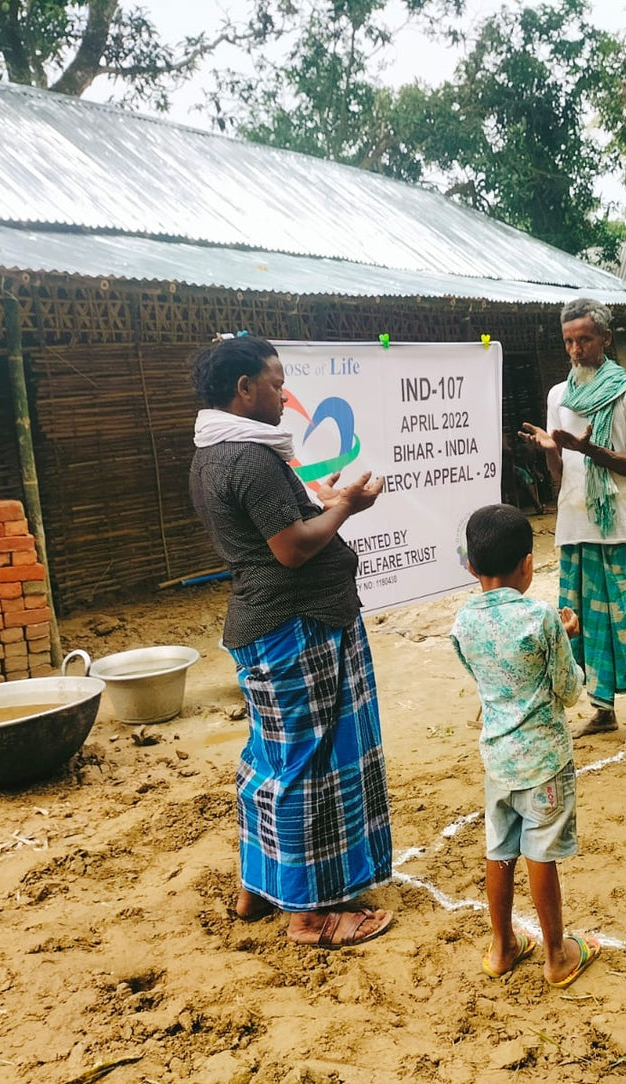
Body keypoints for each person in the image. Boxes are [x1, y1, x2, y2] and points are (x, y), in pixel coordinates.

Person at [188, 334, 395, 948]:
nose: (285, 394)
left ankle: (259, 885)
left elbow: (276, 529)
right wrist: (347, 507)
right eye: (276, 383)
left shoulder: (215, 452)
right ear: (244, 389)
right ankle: (309, 915)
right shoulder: (249, 459)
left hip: (272, 623)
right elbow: (293, 548)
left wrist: (317, 501)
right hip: (297, 626)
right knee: (307, 765)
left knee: (270, 760)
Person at [450, 503, 600, 988]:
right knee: (540, 852)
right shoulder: (541, 618)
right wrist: (567, 638)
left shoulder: (463, 622)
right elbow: (569, 689)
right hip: (543, 760)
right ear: (528, 564)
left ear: (471, 566)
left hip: (497, 758)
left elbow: (485, 675)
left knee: (500, 849)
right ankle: (556, 956)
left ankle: (502, 946)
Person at [520, 298, 626, 749]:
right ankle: (602, 710)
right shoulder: (558, 396)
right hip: (574, 520)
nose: (576, 350)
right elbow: (560, 473)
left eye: (584, 339)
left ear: (606, 338)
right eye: (568, 341)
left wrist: (588, 451)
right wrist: (550, 450)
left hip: (617, 521)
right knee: (579, 619)